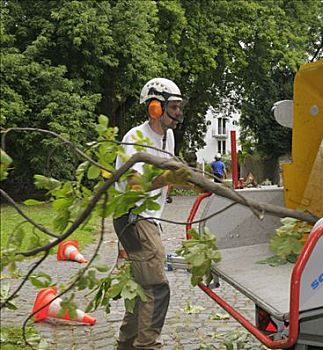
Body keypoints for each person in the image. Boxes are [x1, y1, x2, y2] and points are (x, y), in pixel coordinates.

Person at [113, 77, 190, 350]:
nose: (178, 113)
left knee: (140, 287)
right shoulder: (134, 138)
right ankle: (147, 345)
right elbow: (135, 185)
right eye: (174, 107)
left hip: (148, 218)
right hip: (133, 216)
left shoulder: (168, 136)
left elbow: (166, 176)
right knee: (157, 288)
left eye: (180, 107)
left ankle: (126, 344)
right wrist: (171, 177)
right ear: (155, 107)